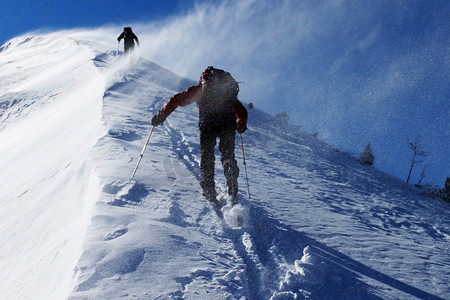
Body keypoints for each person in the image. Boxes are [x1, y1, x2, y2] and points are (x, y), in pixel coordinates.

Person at [151, 66, 248, 206]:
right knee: (227, 153)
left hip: (208, 119)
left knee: (207, 154)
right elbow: (242, 111)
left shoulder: (201, 89)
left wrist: (161, 117)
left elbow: (176, 100)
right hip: (228, 119)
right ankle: (230, 170)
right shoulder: (227, 92)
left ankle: (209, 188)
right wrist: (241, 125)